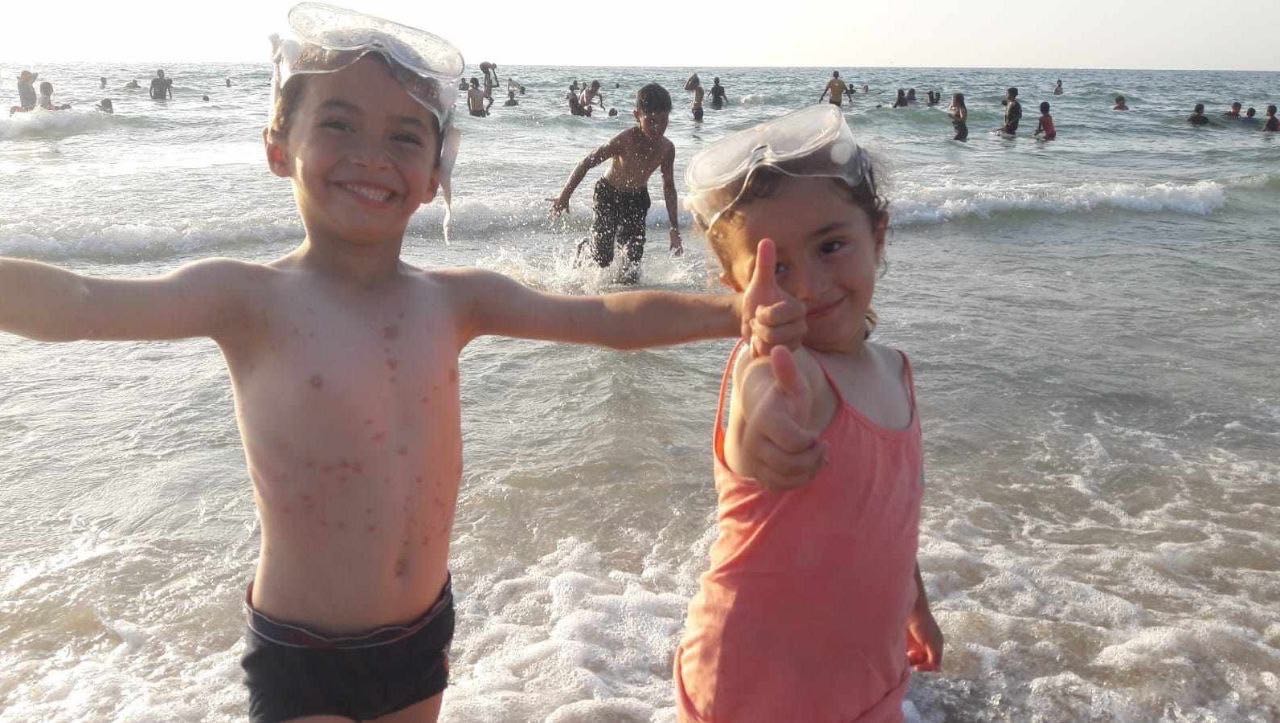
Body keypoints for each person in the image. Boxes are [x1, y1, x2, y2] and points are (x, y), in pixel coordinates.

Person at [0, 7, 786, 722]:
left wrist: (732, 313)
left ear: (438, 171)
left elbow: (605, 319)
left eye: (405, 136)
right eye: (338, 124)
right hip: (304, 652)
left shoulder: (453, 300)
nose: (371, 156)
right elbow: (79, 302)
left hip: (419, 637)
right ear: (278, 146)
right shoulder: (246, 299)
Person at [676, 103, 942, 721]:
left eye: (831, 246)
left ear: (878, 236)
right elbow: (761, 394)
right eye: (776, 268)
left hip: (867, 682)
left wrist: (917, 606)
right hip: (749, 688)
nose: (808, 286)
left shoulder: (895, 371)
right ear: (737, 286)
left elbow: (892, 519)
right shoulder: (787, 372)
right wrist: (763, 417)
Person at [552, 83, 683, 283]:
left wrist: (674, 228)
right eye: (651, 121)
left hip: (637, 200)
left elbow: (669, 187)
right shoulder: (625, 140)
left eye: (663, 121)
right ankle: (586, 247)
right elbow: (587, 162)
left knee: (632, 263)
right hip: (608, 194)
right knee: (603, 258)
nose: (658, 128)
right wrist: (564, 196)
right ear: (637, 115)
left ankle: (624, 294)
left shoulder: (667, 149)